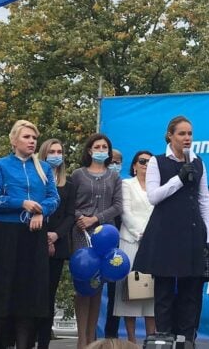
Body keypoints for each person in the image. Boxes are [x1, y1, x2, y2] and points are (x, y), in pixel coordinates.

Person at [134, 116, 209, 347]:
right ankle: (164, 338)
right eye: (182, 134)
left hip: (191, 233)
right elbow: (153, 197)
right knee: (165, 291)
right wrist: (178, 179)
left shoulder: (199, 162)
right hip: (165, 232)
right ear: (170, 135)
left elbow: (203, 200)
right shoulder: (157, 162)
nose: (187, 138)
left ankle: (187, 339)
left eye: (190, 134)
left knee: (191, 291)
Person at [0, 120, 60, 349]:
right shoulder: (1, 166)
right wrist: (22, 203)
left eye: (34, 138)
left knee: (28, 297)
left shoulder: (44, 168)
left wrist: (40, 212)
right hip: (5, 235)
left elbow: (53, 198)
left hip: (33, 236)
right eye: (27, 137)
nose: (32, 141)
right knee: (0, 294)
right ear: (14, 140)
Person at [69, 133, 124, 348]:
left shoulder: (114, 177)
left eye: (105, 147)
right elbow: (69, 203)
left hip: (105, 235)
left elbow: (118, 205)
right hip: (81, 234)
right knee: (83, 283)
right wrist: (79, 217)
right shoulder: (78, 175)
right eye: (97, 146)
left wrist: (97, 218)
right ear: (90, 150)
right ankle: (81, 340)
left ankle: (92, 339)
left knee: (98, 285)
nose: (101, 150)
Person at [114, 150, 157, 343]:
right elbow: (126, 212)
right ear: (134, 165)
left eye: (149, 162)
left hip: (154, 245)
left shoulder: (158, 187)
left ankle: (151, 340)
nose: (145, 164)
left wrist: (151, 237)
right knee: (129, 293)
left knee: (151, 296)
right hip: (130, 241)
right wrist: (141, 233)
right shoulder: (126, 184)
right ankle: (131, 341)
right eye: (142, 161)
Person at [37, 138, 75, 349]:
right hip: (34, 243)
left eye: (59, 151)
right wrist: (43, 234)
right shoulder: (35, 180)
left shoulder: (68, 184)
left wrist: (55, 235)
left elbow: (70, 215)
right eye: (52, 151)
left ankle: (43, 343)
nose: (56, 155)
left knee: (49, 297)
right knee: (33, 294)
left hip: (57, 246)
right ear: (44, 154)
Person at [102, 149, 125, 340]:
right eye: (112, 161)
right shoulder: (98, 184)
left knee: (114, 294)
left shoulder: (123, 186)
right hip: (97, 242)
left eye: (118, 162)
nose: (115, 165)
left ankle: (112, 335)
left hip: (118, 245)